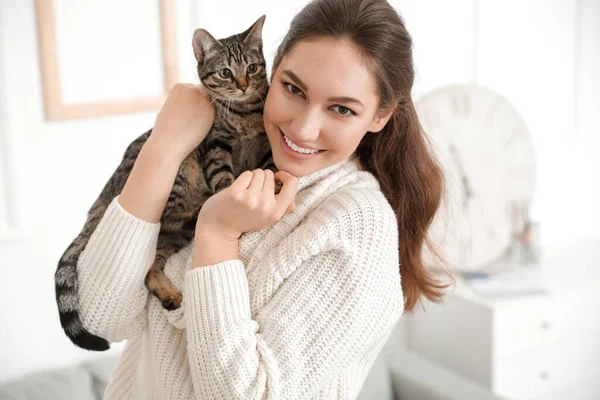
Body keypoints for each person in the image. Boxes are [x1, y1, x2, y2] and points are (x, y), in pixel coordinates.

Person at [76, 0, 450, 397]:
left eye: (341, 109)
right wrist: (162, 147)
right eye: (292, 88)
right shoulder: (238, 162)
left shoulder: (357, 226)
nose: (304, 129)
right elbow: (100, 316)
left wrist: (216, 234)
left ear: (380, 116)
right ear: (271, 70)